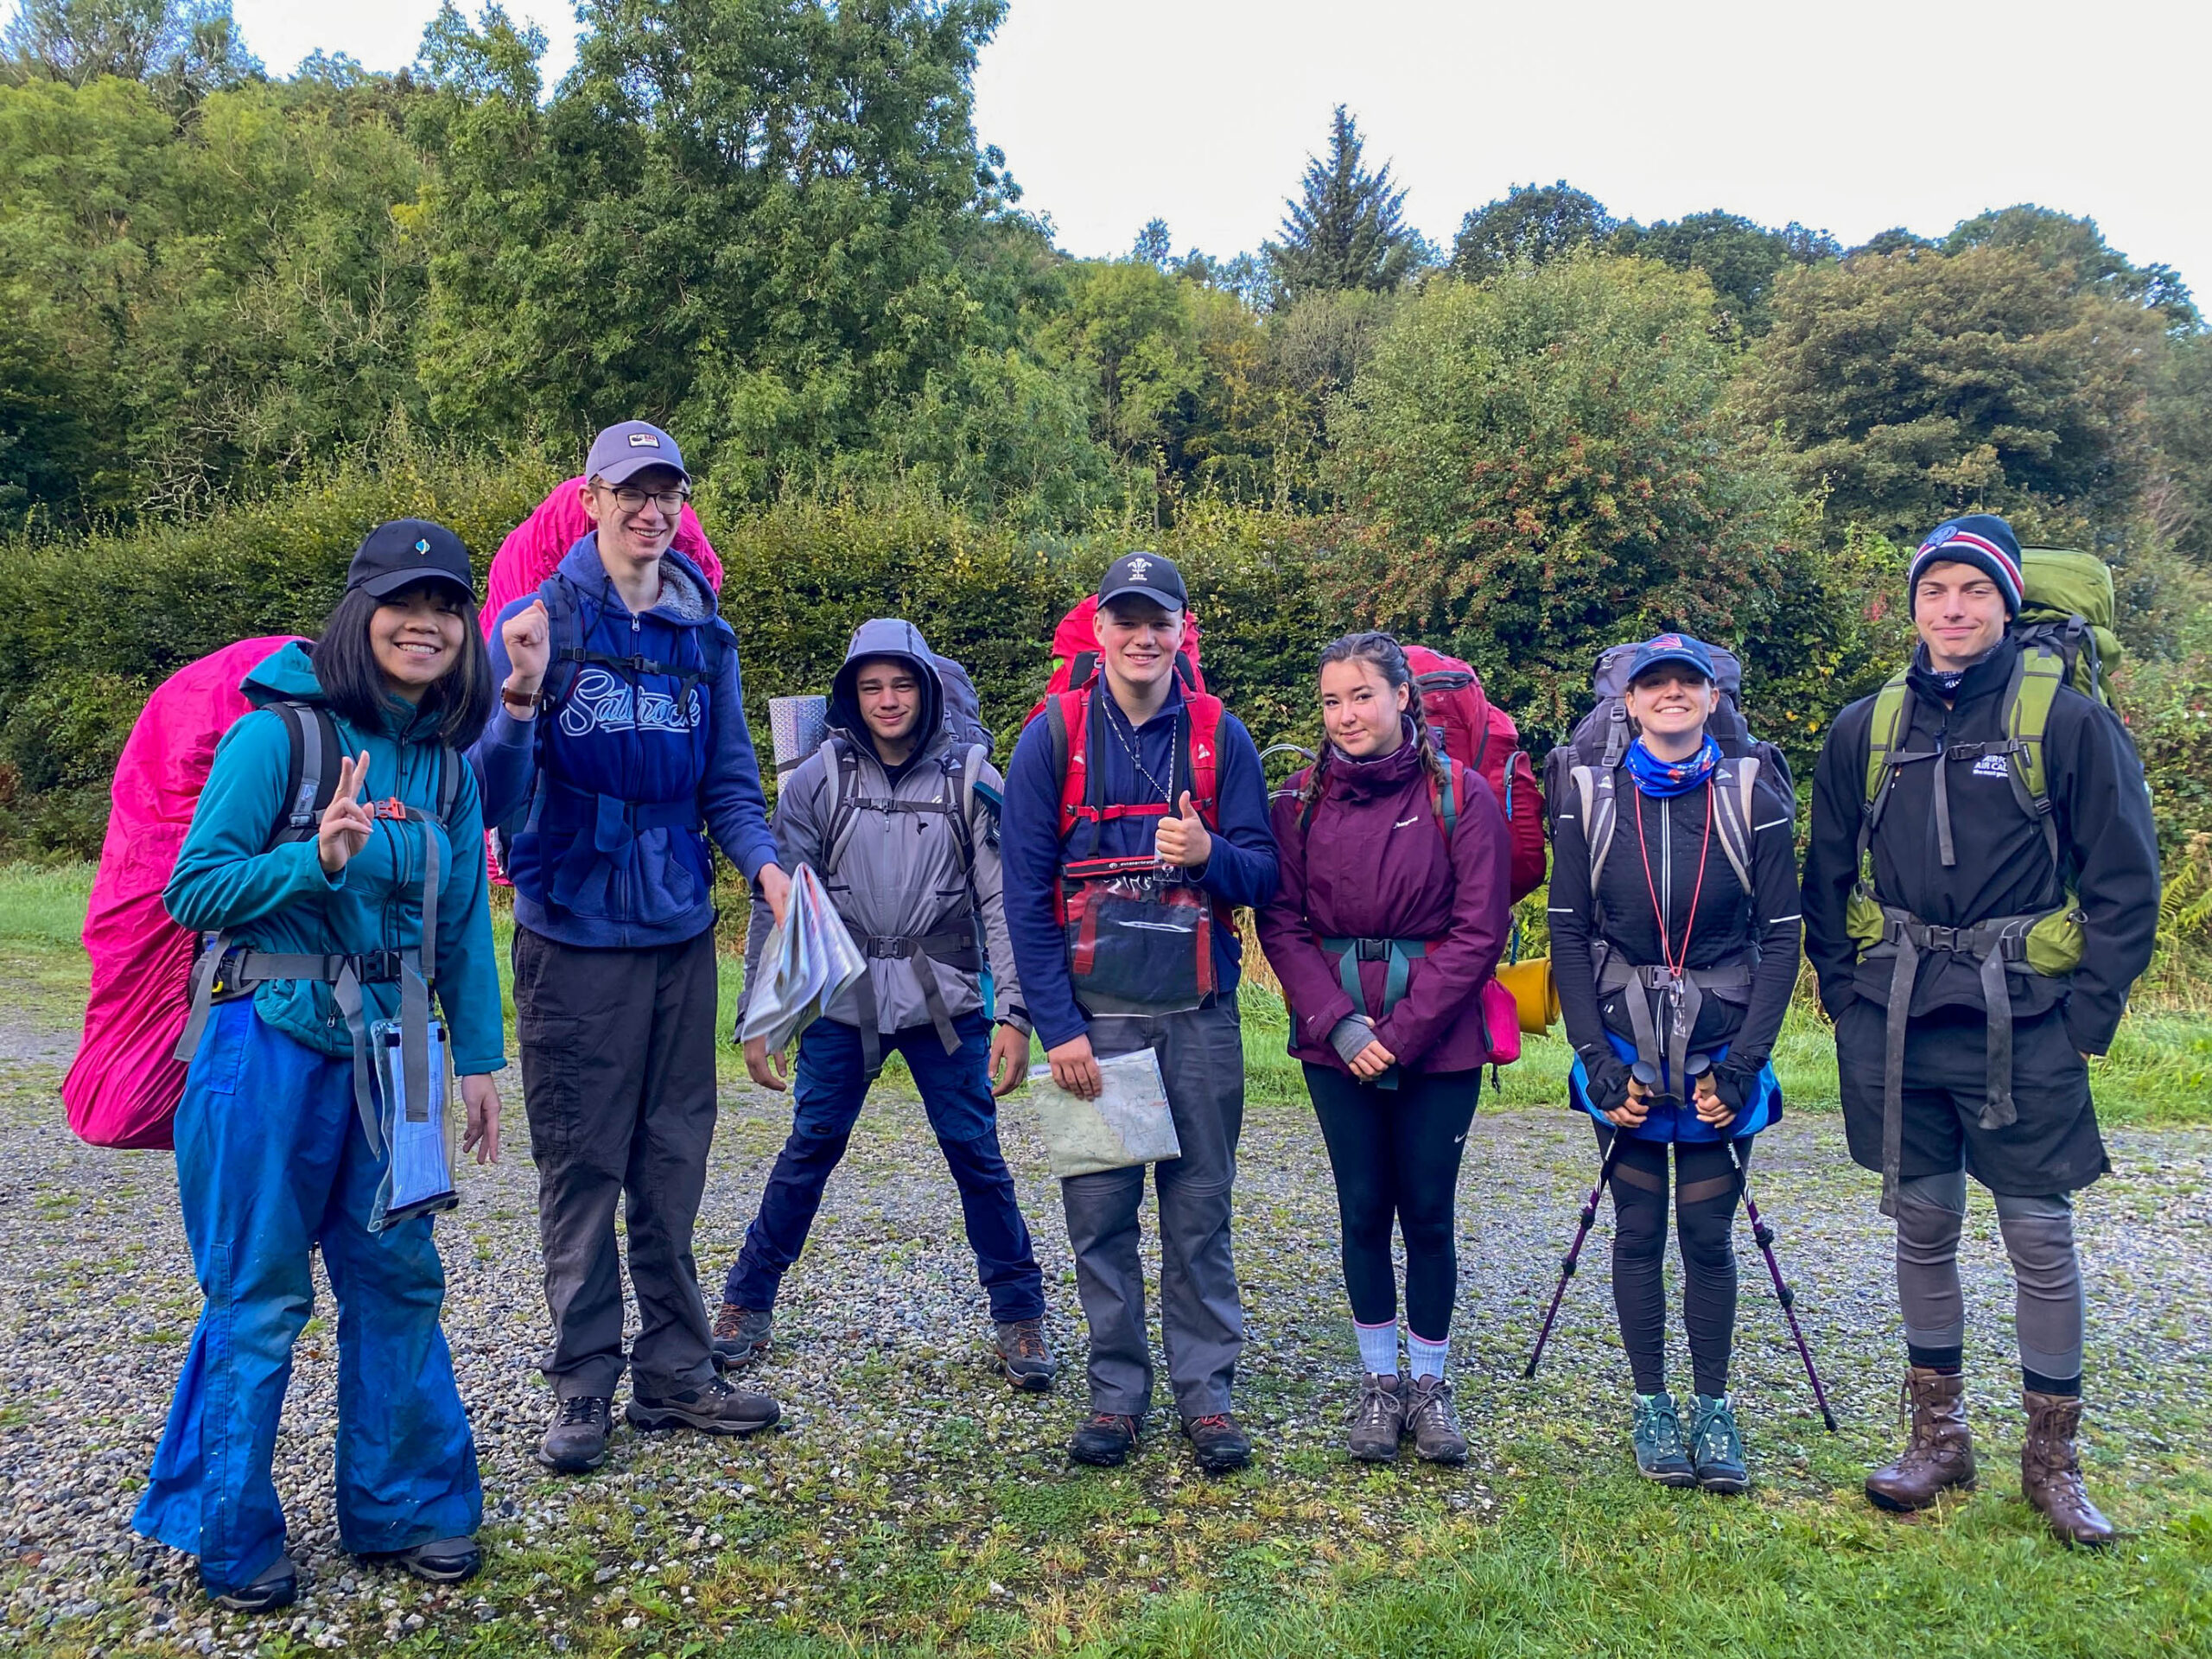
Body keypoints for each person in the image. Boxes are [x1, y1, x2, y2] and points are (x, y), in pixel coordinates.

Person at [139, 520, 505, 1611]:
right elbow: (192, 891)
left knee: (398, 1279)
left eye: (446, 607)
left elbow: (467, 926)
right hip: (264, 1043)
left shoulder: (446, 770)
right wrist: (315, 857)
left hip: (397, 1047)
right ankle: (230, 1529)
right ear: (362, 616)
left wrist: (476, 1059)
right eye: (405, 603)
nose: (426, 623)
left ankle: (406, 1507)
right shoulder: (280, 739)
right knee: (256, 1294)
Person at [1803, 516, 2159, 1547]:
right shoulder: (1865, 727)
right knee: (1920, 1227)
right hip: (1897, 1019)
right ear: (1910, 607)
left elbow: (2125, 880)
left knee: (2038, 1236)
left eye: (1971, 591)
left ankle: (2052, 1462)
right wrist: (1842, 991)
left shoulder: (2068, 723)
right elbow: (1824, 878)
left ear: (2005, 602)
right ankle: (1938, 1440)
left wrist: (2087, 1015)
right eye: (1933, 592)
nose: (1951, 610)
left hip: (2026, 1020)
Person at [474, 422, 790, 1474]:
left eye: (667, 492)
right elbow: (492, 799)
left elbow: (731, 786)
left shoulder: (705, 633)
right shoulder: (537, 625)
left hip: (678, 929)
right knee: (582, 1161)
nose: (650, 510)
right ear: (590, 500)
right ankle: (581, 1382)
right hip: (570, 928)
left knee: (672, 1156)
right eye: (631, 491)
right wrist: (518, 696)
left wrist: (769, 869)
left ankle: (674, 1371)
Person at [712, 620, 1054, 1389]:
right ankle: (745, 1302)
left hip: (949, 1000)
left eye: (902, 684)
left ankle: (1020, 1317)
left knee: (977, 1155)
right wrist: (761, 1016)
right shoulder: (816, 779)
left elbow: (1003, 900)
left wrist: (1017, 1015)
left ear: (927, 689)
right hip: (845, 999)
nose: (888, 700)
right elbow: (780, 903)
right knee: (810, 1147)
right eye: (872, 686)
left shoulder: (973, 776)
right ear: (851, 694)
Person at [1001, 552, 1281, 1474]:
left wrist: (1207, 851)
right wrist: (1059, 1029)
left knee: (1200, 1213)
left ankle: (1207, 1397)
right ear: (1099, 631)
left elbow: (1265, 877)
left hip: (1197, 1018)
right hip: (1097, 1024)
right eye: (1124, 620)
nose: (1142, 637)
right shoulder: (1050, 738)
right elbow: (1023, 899)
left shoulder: (1218, 738)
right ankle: (1116, 1395)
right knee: (1101, 1216)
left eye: (1158, 620)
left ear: (1180, 630)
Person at [1548, 633, 1801, 1493]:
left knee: (1705, 1236)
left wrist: (1743, 1068)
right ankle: (1652, 1405)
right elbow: (1569, 933)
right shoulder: (1589, 795)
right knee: (1638, 1231)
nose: (1669, 695)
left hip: (1720, 1044)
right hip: (1623, 1042)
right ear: (1625, 701)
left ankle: (1714, 1406)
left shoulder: (1750, 791)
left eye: (1685, 682)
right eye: (1651, 683)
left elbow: (1781, 935)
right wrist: (1594, 1061)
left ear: (1709, 697)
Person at [1255, 632, 1510, 1465]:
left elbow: (1480, 931)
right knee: (1362, 1210)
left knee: (1429, 1215)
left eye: (1362, 695)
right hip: (1337, 1042)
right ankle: (1377, 1385)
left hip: (1438, 1044)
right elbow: (1282, 923)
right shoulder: (1297, 801)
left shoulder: (1462, 797)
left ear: (1405, 696)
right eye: (1331, 701)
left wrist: (1398, 1036)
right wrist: (1342, 1025)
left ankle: (1429, 1388)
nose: (1346, 716)